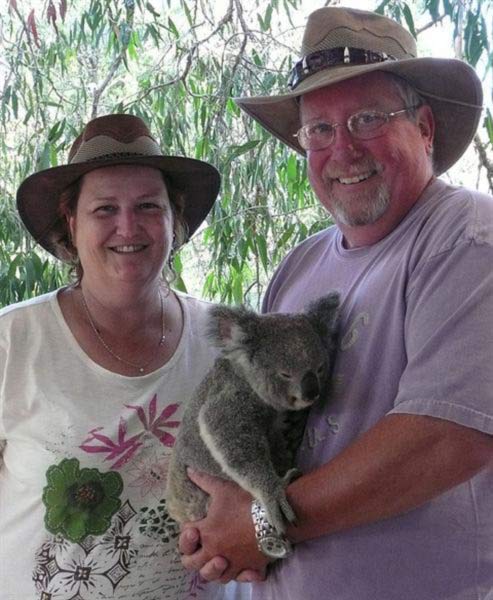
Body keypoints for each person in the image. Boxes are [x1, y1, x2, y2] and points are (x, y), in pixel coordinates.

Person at [178, 7, 493, 600]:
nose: (341, 150)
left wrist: (264, 522)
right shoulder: (300, 267)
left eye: (368, 119)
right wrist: (220, 528)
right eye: (319, 130)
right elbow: (262, 421)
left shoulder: (468, 238)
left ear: (424, 127)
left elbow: (448, 438)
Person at [0, 114, 249, 600]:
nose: (128, 226)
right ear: (71, 225)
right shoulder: (13, 343)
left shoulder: (228, 343)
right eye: (104, 209)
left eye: (149, 206)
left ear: (175, 223)